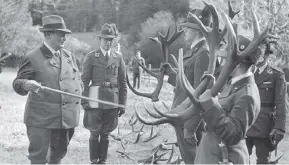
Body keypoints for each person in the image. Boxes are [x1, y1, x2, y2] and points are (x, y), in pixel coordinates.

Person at [12, 15, 83, 164]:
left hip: (66, 120)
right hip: (41, 121)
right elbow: (17, 83)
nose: (64, 38)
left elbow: (78, 82)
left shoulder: (69, 56)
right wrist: (26, 84)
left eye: (65, 35)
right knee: (39, 159)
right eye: (61, 34)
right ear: (48, 34)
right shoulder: (32, 57)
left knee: (57, 157)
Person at [195, 35, 262, 164]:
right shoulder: (236, 85)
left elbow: (233, 133)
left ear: (236, 64)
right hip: (212, 154)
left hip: (223, 157)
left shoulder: (247, 94)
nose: (222, 63)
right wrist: (212, 89)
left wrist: (210, 104)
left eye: (224, 59)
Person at [160, 6, 213, 163]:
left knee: (194, 161)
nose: (185, 32)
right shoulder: (194, 52)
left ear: (197, 31)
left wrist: (190, 127)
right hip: (182, 116)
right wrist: (171, 73)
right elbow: (186, 86)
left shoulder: (203, 54)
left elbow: (201, 95)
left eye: (188, 28)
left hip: (189, 120)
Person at [81, 23, 127, 164]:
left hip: (111, 102)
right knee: (94, 133)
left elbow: (123, 83)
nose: (108, 42)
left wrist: (122, 104)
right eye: (105, 39)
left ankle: (103, 161)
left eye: (111, 40)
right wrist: (84, 100)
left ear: (113, 41)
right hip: (94, 101)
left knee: (106, 134)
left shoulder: (118, 58)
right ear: (100, 40)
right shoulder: (91, 57)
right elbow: (84, 81)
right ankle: (94, 160)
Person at [246, 42, 287, 164]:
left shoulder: (276, 75)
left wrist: (279, 128)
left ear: (268, 56)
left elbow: (281, 103)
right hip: (245, 123)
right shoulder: (247, 71)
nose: (260, 58)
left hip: (264, 127)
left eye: (264, 55)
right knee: (241, 159)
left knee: (263, 160)